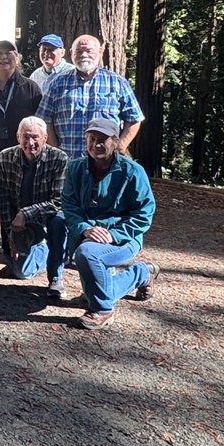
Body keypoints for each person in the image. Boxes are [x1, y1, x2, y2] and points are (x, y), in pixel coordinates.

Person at [64, 117, 158, 330]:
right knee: (92, 265)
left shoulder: (132, 171)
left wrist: (113, 235)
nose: (95, 144)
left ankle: (103, 310)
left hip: (124, 239)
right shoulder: (75, 168)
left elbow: (144, 213)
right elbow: (69, 206)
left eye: (102, 140)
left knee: (87, 254)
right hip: (89, 235)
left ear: (115, 142)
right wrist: (85, 228)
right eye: (91, 138)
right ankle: (141, 273)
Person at [0, 40, 43, 256]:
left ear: (18, 57)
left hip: (18, 157)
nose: (4, 57)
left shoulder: (30, 88)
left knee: (15, 199)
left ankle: (10, 244)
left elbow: (39, 123)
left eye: (9, 53)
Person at [0, 116, 70, 300]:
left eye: (35, 137)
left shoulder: (59, 158)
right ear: (18, 137)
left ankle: (56, 277)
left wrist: (25, 213)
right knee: (23, 273)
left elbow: (59, 201)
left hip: (49, 219)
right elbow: (2, 200)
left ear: (45, 138)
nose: (30, 142)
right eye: (26, 137)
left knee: (59, 222)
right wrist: (11, 236)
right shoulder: (3, 158)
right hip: (21, 226)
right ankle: (41, 247)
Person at [36, 34, 144, 159]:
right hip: (68, 163)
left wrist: (120, 148)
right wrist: (56, 151)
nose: (84, 55)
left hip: (105, 163)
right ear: (71, 53)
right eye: (79, 51)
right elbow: (44, 119)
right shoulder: (57, 83)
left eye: (89, 51)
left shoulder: (117, 82)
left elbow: (135, 118)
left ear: (100, 51)